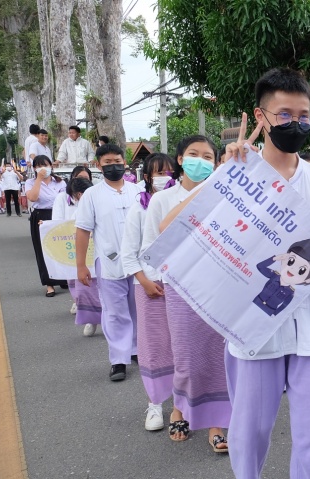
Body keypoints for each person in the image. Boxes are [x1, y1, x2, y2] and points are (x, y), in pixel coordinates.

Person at [214, 68, 310, 478]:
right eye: (285, 114)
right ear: (261, 117)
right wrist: (225, 177)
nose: (296, 123)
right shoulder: (238, 173)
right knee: (250, 430)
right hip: (255, 328)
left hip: (309, 326)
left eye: (304, 115)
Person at [144, 136, 231, 451]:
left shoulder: (227, 198)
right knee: (185, 356)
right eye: (194, 154)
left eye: (208, 156)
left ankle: (216, 422)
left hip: (218, 287)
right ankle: (179, 409)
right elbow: (151, 245)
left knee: (217, 355)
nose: (201, 161)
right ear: (180, 159)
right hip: (179, 288)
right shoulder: (162, 201)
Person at [75, 143, 143, 381]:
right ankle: (119, 359)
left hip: (139, 263)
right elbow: (82, 230)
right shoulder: (92, 195)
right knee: (115, 312)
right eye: (108, 163)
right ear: (98, 165)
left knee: (138, 308)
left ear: (125, 162)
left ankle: (136, 350)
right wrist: (81, 265)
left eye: (117, 161)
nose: (113, 166)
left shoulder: (138, 191)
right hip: (109, 262)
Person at [121, 152, 178, 433]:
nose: (164, 177)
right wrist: (144, 282)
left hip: (180, 287)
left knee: (182, 346)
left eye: (169, 172)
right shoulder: (139, 209)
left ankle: (185, 403)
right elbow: (128, 253)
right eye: (159, 172)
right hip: (151, 288)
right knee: (154, 346)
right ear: (146, 177)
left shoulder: (183, 204)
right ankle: (154, 403)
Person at [52, 176, 101, 335]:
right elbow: (63, 228)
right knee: (84, 291)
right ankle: (91, 320)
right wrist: (46, 227)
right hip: (83, 257)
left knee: (105, 291)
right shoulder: (75, 211)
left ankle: (108, 323)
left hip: (101, 256)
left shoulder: (101, 205)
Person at [25, 156, 68, 295]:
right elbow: (32, 198)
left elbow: (65, 200)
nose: (43, 168)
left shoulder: (60, 182)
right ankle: (49, 284)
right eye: (39, 166)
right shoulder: (30, 182)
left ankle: (63, 278)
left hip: (58, 215)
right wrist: (39, 179)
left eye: (45, 165)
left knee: (60, 248)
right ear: (34, 168)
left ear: (51, 166)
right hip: (40, 216)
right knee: (43, 250)